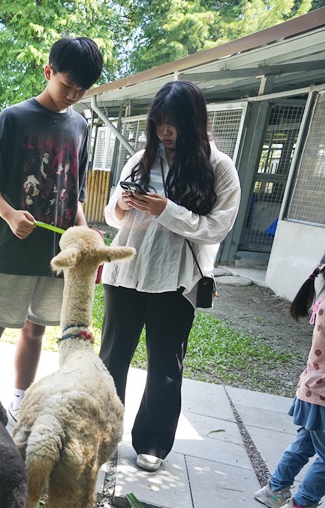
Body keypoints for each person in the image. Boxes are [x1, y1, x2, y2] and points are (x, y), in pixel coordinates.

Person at [100, 80, 241, 472]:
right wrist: (124, 203)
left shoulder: (218, 166)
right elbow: (112, 216)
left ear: (194, 121)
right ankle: (102, 436)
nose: (165, 132)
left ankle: (153, 443)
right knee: (112, 359)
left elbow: (218, 227)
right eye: (159, 122)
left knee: (165, 364)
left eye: (173, 123)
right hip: (126, 271)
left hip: (177, 278)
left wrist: (167, 209)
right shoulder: (144, 157)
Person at [0, 36, 103, 422]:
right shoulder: (13, 118)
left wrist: (83, 231)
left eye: (82, 89)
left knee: (36, 330)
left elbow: (76, 193)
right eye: (67, 85)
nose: (73, 95)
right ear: (48, 72)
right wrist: (10, 215)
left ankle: (20, 398)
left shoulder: (79, 126)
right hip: (10, 249)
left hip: (55, 255)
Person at [253, 266, 325, 508]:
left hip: (313, 391)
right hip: (322, 396)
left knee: (305, 443)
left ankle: (275, 490)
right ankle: (302, 507)